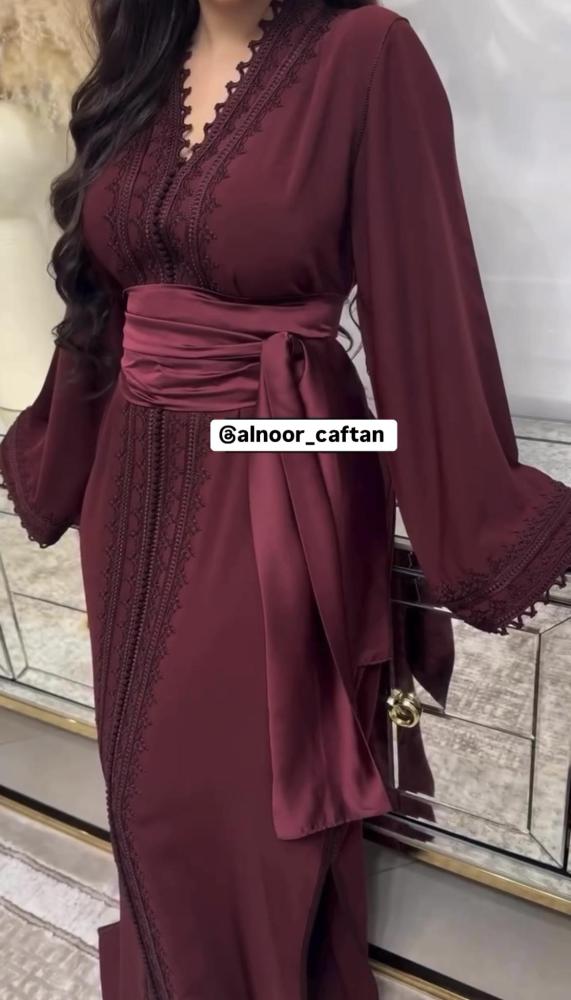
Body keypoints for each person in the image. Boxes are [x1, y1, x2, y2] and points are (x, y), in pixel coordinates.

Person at [1, 0, 570, 996]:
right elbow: (104, 306)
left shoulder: (368, 54)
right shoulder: (142, 53)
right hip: (131, 488)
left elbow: (423, 309)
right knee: (145, 792)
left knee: (230, 801)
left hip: (282, 463)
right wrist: (57, 454)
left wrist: (483, 518)